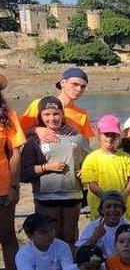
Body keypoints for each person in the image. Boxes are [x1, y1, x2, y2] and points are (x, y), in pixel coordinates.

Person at [20, 95, 87, 248]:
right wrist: (46, 167)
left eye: (56, 113)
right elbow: (24, 173)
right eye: (47, 114)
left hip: (73, 195)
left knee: (70, 238)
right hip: (45, 197)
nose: (52, 118)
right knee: (50, 239)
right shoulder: (34, 140)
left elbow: (88, 160)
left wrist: (84, 170)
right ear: (40, 116)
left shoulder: (76, 136)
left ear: (63, 114)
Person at [80, 115, 130, 220]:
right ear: (99, 134)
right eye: (106, 134)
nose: (110, 138)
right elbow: (91, 184)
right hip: (100, 208)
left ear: (118, 136)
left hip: (123, 208)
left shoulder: (126, 157)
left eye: (113, 135)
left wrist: (122, 197)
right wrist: (107, 198)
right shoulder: (91, 158)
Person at [20, 67, 93, 141]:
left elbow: (85, 143)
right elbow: (18, 133)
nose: (79, 89)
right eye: (75, 84)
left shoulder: (82, 114)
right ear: (63, 83)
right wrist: (36, 130)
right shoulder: (39, 104)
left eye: (83, 86)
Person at [0, 74, 24, 270]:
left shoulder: (7, 116)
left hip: (3, 186)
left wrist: (15, 185)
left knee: (7, 235)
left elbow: (15, 152)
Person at [75, 191, 130, 258]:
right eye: (108, 206)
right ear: (102, 210)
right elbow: (77, 254)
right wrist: (95, 237)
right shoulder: (93, 226)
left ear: (122, 209)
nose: (112, 210)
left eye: (116, 206)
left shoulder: (129, 227)